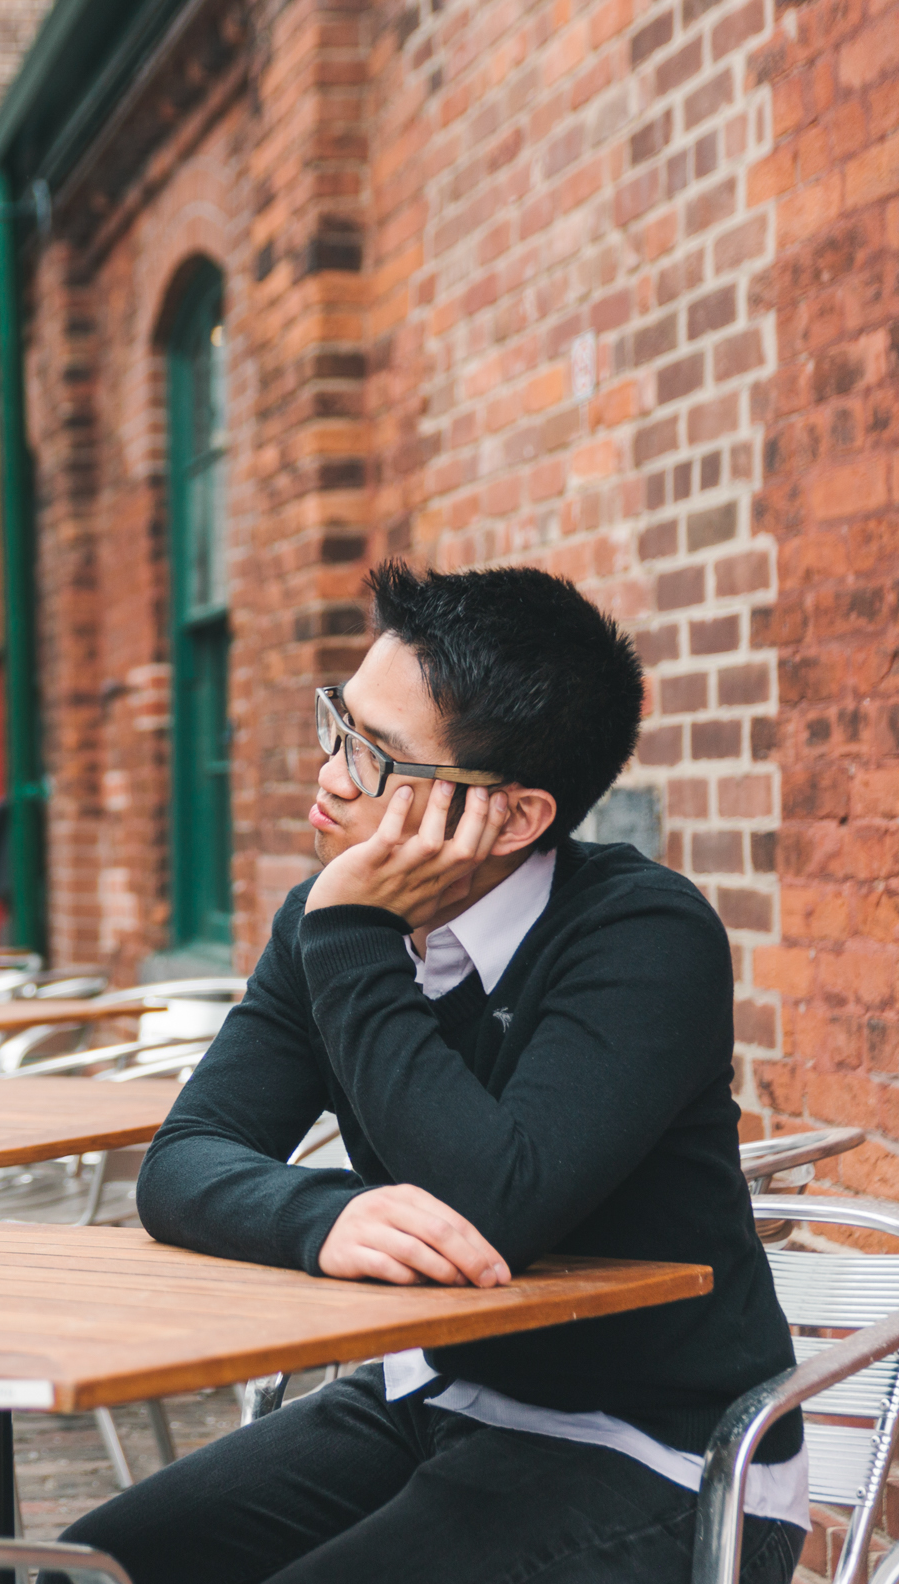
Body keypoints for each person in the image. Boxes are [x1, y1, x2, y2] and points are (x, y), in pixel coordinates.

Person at [52, 563, 803, 1583]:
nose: (328, 773)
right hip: (433, 1399)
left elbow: (496, 1202)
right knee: (92, 1567)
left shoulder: (641, 935)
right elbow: (184, 1159)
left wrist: (360, 936)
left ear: (515, 817)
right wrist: (321, 1217)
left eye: (375, 756)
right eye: (337, 724)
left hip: (664, 1453)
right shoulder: (323, 923)